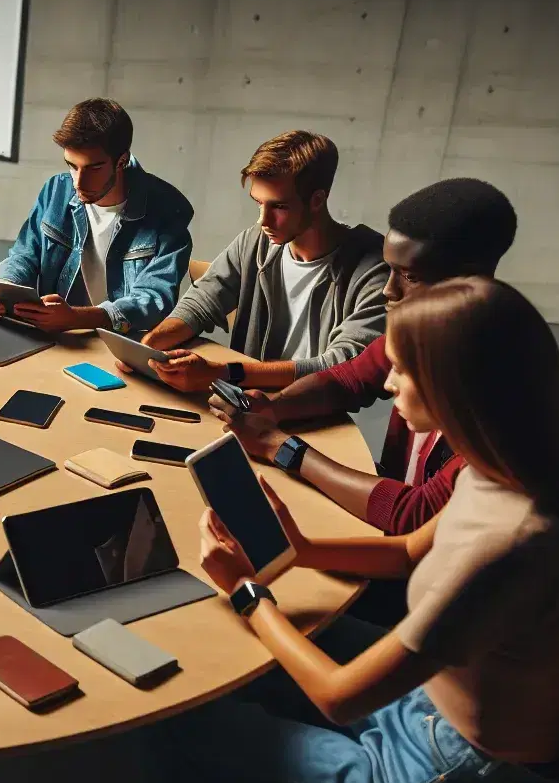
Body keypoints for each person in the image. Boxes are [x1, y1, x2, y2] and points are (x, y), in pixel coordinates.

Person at [81, 278, 559, 783]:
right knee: (252, 659)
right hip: (439, 720)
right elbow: (406, 551)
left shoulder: (508, 548)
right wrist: (301, 547)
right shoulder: (502, 469)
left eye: (402, 375)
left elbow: (341, 699)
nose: (388, 387)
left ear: (454, 387)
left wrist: (251, 596)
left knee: (181, 724)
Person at [209, 179, 519, 540]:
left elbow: (415, 515)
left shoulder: (502, 407)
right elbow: (349, 379)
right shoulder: (422, 335)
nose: (389, 290)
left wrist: (282, 448)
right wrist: (275, 408)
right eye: (389, 269)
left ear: (468, 281)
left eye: (409, 276)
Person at [133, 131, 388, 392]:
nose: (263, 221)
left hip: (315, 410)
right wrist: (150, 347)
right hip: (245, 400)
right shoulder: (256, 241)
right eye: (259, 203)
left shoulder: (373, 265)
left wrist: (223, 373)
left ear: (317, 200)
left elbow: (345, 366)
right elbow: (203, 300)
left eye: (279, 207)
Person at [0, 98, 192, 333]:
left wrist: (80, 318)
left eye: (93, 168)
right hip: (56, 338)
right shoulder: (55, 191)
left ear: (122, 161)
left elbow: (155, 299)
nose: (78, 182)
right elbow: (25, 255)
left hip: (123, 344)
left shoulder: (168, 210)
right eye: (72, 165)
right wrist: (0, 288)